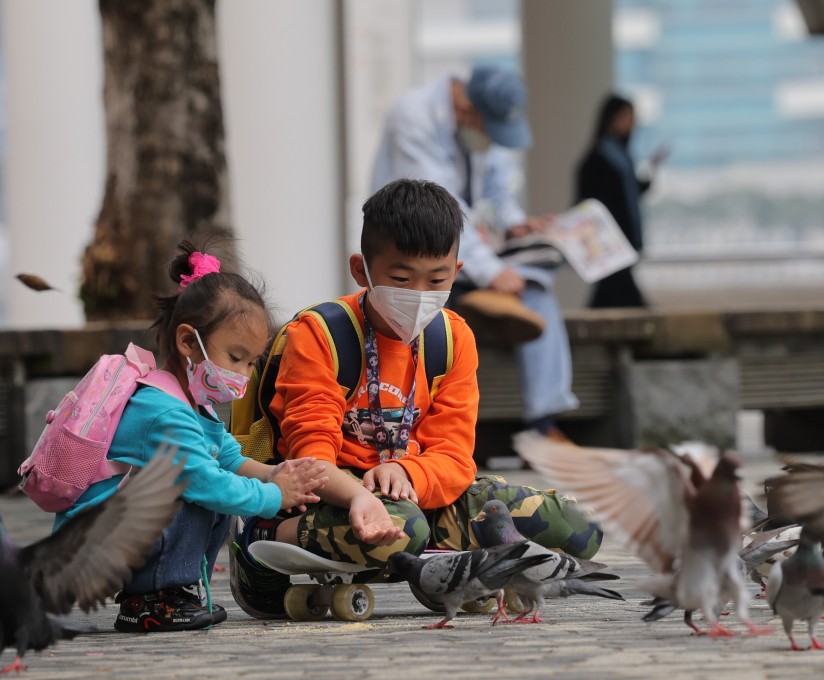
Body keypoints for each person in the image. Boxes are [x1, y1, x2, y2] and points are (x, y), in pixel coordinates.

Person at [228, 179, 603, 619]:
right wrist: (360, 495)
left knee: (576, 527)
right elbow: (312, 460)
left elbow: (455, 456)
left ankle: (445, 573)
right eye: (402, 279)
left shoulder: (452, 337)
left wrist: (405, 468)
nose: (420, 294)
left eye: (437, 279)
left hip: (415, 490)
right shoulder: (320, 335)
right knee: (405, 528)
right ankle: (262, 541)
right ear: (361, 270)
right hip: (331, 496)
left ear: (457, 273)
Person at [54, 241, 327, 633]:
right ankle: (151, 599)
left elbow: (228, 457)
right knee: (203, 493)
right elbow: (205, 481)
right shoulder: (164, 411)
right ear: (187, 343)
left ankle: (172, 591)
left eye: (252, 363)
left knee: (216, 485)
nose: (245, 376)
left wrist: (278, 473)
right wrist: (274, 498)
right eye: (235, 358)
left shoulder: (192, 403)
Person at [370, 64, 579, 441]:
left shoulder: (477, 127)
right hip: (418, 251)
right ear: (467, 110)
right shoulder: (413, 117)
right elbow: (440, 210)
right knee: (424, 318)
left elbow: (497, 189)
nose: (491, 141)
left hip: (465, 259)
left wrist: (516, 224)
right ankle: (485, 300)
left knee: (537, 286)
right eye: (488, 130)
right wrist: (490, 273)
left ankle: (543, 421)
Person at [576, 94, 665, 308]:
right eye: (625, 117)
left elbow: (630, 193)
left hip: (622, 242)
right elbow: (593, 200)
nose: (630, 124)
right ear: (610, 118)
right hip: (610, 242)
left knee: (608, 298)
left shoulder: (620, 156)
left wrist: (650, 172)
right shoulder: (599, 156)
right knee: (625, 299)